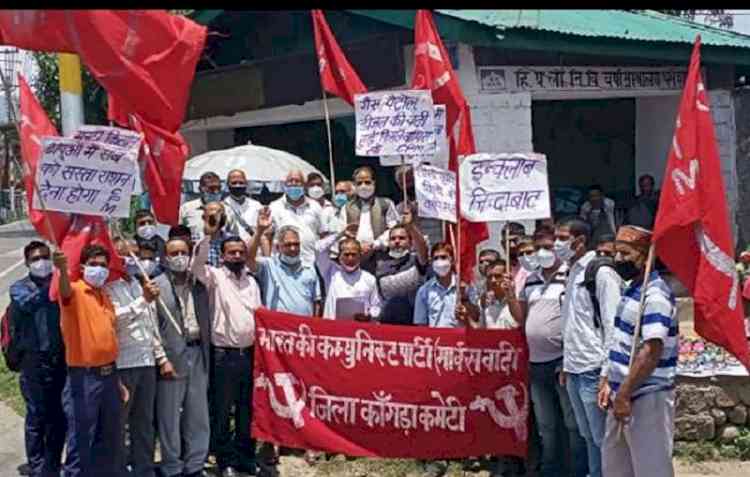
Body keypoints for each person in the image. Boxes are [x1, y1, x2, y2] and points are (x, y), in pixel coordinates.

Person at [507, 228, 588, 477]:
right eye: (538, 247)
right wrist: (510, 295)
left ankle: (577, 470)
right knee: (546, 424)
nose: (543, 252)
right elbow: (521, 318)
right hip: (536, 362)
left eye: (548, 247)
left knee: (572, 423)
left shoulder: (570, 276)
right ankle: (551, 469)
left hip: (561, 361)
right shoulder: (530, 279)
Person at [599, 226, 677, 477]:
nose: (619, 260)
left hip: (645, 396)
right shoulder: (631, 289)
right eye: (616, 253)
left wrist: (624, 393)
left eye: (625, 253)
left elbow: (651, 351)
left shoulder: (655, 295)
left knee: (651, 468)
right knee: (616, 467)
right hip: (621, 393)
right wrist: (610, 381)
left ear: (645, 255)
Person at [192, 216, 262, 477]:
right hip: (223, 356)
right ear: (221, 256)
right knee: (222, 411)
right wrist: (208, 234)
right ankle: (226, 460)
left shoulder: (252, 281)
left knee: (247, 409)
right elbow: (196, 265)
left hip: (250, 355)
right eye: (231, 252)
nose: (236, 256)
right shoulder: (214, 277)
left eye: (240, 252)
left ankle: (246, 457)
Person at [556, 218, 622, 477]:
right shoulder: (572, 271)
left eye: (563, 238)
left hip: (594, 369)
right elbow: (573, 323)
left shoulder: (601, 273)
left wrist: (607, 373)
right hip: (574, 367)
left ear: (580, 241)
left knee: (602, 438)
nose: (558, 244)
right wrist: (566, 363)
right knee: (587, 435)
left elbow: (612, 324)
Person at [54, 244, 123, 477]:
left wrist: (117, 380)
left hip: (110, 376)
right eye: (93, 265)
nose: (99, 269)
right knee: (81, 440)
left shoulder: (104, 295)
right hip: (84, 379)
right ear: (82, 267)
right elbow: (63, 291)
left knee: (109, 438)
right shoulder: (74, 291)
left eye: (103, 265)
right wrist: (62, 271)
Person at [106, 238, 170, 477]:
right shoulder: (108, 287)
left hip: (146, 362)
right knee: (119, 424)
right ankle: (118, 470)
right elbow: (112, 319)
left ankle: (143, 469)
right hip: (123, 363)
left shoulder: (137, 282)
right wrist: (142, 300)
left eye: (138, 256)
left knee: (144, 423)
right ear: (117, 258)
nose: (135, 261)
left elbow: (150, 323)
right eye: (128, 256)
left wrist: (160, 356)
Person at [153, 237, 212, 477]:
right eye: (174, 253)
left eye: (183, 252)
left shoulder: (199, 283)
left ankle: (195, 465)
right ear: (165, 258)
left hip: (198, 353)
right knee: (169, 416)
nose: (179, 257)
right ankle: (172, 467)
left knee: (198, 413)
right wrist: (161, 359)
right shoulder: (155, 286)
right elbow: (152, 328)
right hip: (171, 359)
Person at [10, 241, 67, 477]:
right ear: (27, 263)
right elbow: (30, 304)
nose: (41, 262)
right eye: (35, 258)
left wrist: (62, 276)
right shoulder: (18, 288)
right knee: (37, 416)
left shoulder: (60, 282)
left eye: (45, 257)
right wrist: (56, 281)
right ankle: (36, 466)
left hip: (59, 359)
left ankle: (52, 466)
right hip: (33, 362)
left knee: (58, 415)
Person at [248, 207, 323, 317]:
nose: (293, 248)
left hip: (304, 328)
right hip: (278, 328)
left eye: (296, 244)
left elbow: (316, 301)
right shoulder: (269, 265)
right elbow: (248, 258)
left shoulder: (309, 267)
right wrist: (259, 231)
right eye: (288, 245)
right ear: (278, 247)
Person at [373, 209, 429, 325]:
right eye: (393, 239)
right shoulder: (380, 264)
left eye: (402, 238)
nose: (397, 241)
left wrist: (411, 226)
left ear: (410, 242)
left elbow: (423, 248)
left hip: (412, 323)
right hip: (387, 322)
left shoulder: (416, 261)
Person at [316, 225, 382, 321]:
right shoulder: (330, 272)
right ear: (339, 256)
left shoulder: (369, 278)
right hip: (333, 330)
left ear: (360, 256)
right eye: (346, 254)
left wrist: (369, 314)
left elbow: (377, 307)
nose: (350, 258)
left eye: (354, 254)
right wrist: (341, 233)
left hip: (358, 332)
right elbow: (319, 249)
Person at [339, 166, 399, 272]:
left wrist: (375, 244)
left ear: (374, 183)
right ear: (354, 185)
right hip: (355, 258)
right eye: (359, 183)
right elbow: (341, 233)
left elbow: (394, 229)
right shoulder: (347, 208)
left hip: (381, 257)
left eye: (367, 182)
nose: (363, 186)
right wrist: (357, 247)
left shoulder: (385, 203)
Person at [414, 242, 479, 329]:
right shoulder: (424, 291)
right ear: (431, 262)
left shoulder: (466, 286)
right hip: (437, 340)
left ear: (452, 260)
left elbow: (476, 316)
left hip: (460, 340)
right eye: (436, 258)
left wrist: (465, 298)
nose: (439, 261)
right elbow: (421, 324)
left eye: (444, 257)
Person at [269, 170, 324, 267]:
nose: (293, 184)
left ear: (304, 185)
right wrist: (269, 261)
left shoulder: (315, 206)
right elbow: (266, 236)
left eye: (297, 181)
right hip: (282, 266)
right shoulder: (274, 207)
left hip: (310, 263)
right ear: (285, 185)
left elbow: (323, 234)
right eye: (290, 181)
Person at [394, 164, 444, 247]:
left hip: (438, 251)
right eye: (403, 183)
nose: (408, 185)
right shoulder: (399, 210)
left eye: (410, 180)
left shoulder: (438, 204)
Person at [180, 171, 223, 243]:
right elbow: (179, 233)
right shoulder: (186, 208)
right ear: (201, 189)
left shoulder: (227, 209)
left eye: (219, 188)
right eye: (212, 188)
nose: (216, 192)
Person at [223, 169, 263, 242]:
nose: (238, 185)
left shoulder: (257, 206)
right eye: (234, 183)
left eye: (241, 183)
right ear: (227, 184)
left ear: (246, 184)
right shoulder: (222, 206)